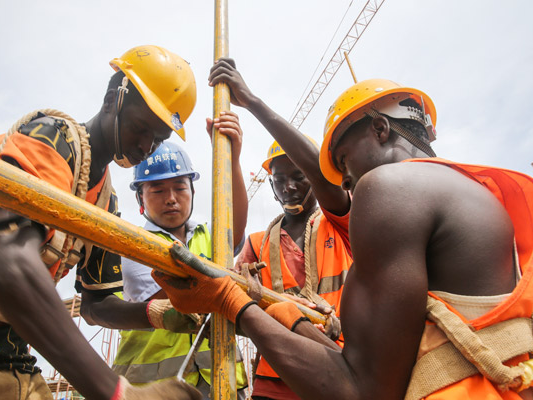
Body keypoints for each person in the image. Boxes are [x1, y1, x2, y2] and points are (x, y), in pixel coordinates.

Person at [153, 75, 533, 399]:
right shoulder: (477, 191)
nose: (345, 180)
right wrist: (289, 316)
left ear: (380, 129)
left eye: (344, 161)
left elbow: (360, 390)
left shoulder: (390, 190)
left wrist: (231, 303)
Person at [0, 45, 202, 400]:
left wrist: (155, 313)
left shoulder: (105, 201)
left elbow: (96, 304)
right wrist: (118, 392)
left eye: (159, 138)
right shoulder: (51, 138)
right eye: (141, 128)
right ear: (111, 100)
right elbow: (5, 263)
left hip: (9, 345)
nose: (145, 146)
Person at [210, 58, 351, 399]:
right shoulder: (258, 244)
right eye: (280, 180)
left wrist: (253, 102)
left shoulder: (343, 224)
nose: (288, 187)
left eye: (298, 176)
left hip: (341, 368)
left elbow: (327, 181)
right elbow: (237, 313)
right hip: (276, 378)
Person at [82, 131, 248, 399]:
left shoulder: (209, 236)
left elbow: (235, 231)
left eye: (180, 188)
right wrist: (221, 281)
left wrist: (234, 159)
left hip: (221, 380)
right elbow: (174, 296)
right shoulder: (131, 245)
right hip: (154, 386)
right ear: (141, 199)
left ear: (193, 191)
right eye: (157, 190)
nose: (171, 198)